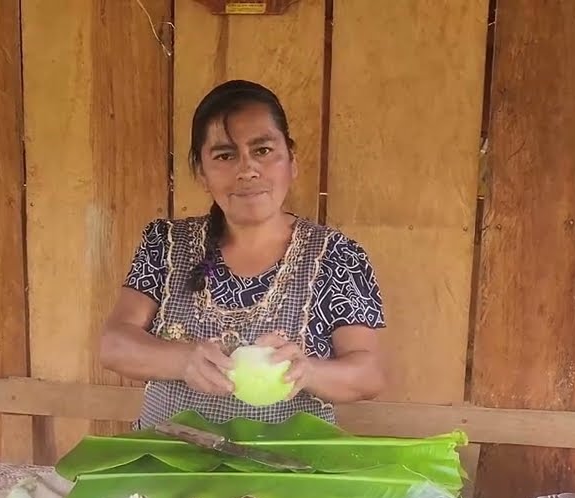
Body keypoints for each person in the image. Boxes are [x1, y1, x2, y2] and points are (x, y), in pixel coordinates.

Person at [99, 79, 388, 428]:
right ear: (201, 172)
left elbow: (369, 374)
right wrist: (183, 361)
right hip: (168, 465)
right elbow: (113, 344)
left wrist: (307, 370)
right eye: (225, 155)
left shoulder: (337, 256)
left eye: (263, 150)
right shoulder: (165, 243)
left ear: (292, 161)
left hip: (283, 471)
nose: (247, 169)